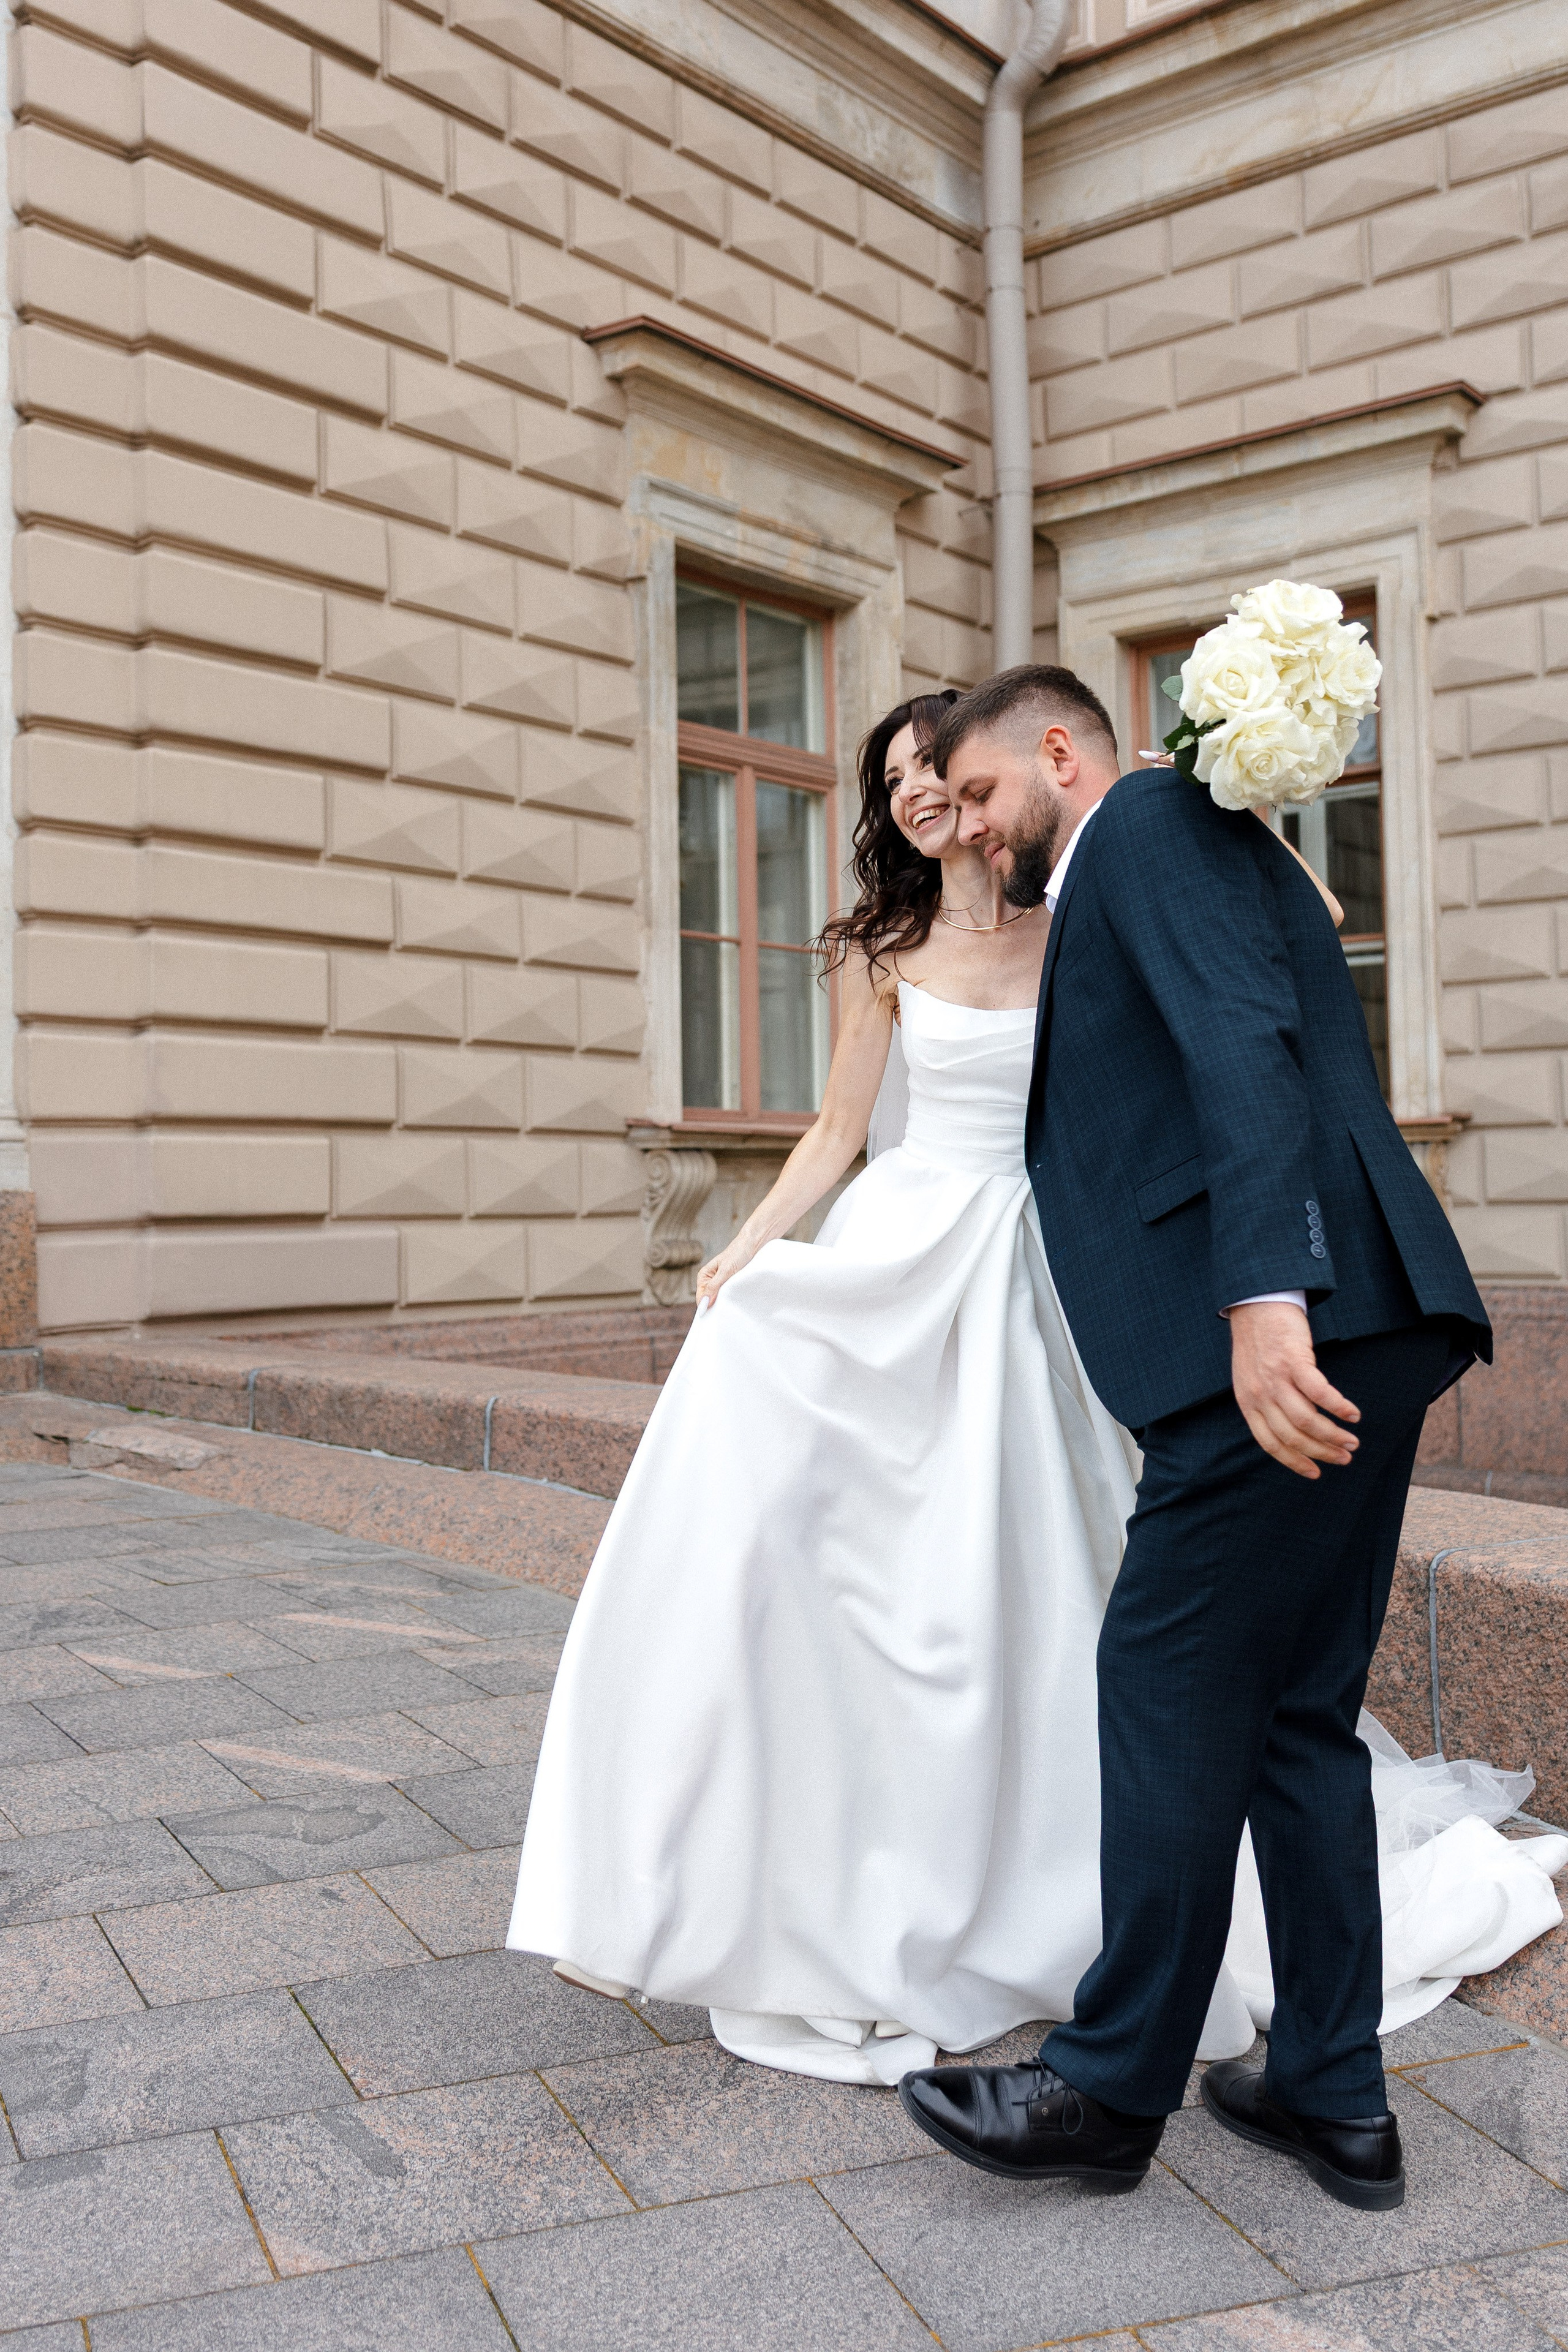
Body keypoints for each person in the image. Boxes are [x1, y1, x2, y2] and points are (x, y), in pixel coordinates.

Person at [507, 676, 1563, 2108]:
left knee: (1130, 1630)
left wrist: (1222, 787)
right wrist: (744, 1255)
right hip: (932, 1264)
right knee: (951, 1605)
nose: (924, 797)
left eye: (950, 775)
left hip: (1090, 1283)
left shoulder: (1102, 876)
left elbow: (1260, 988)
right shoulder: (895, 945)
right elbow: (834, 1132)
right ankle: (1255, 2064)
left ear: (1030, 762)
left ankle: (1128, 2047)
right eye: (900, 782)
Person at [892, 666, 1534, 2211]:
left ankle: (1107, 2087)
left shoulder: (1145, 826)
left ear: (1058, 749)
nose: (969, 830)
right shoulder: (1181, 834)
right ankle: (1328, 2089)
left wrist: (1262, 1296)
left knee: (1163, 1678)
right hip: (1361, 1320)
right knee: (1294, 1716)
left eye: (977, 794)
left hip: (1283, 1334)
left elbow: (1244, 1044)